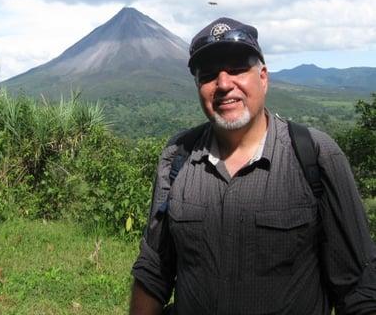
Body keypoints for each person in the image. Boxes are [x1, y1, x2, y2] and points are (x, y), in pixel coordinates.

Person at [129, 17, 376, 315]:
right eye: (208, 75)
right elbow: (154, 269)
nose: (223, 84)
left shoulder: (315, 155)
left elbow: (358, 287)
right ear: (198, 87)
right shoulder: (177, 157)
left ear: (263, 77)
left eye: (236, 69)